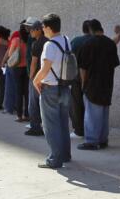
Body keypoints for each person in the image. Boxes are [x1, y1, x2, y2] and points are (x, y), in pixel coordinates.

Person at [33, 14, 73, 169]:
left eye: (43, 27)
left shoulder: (50, 45)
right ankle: (65, 155)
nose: (42, 30)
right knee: (63, 122)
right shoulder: (66, 40)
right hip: (64, 86)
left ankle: (55, 159)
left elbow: (45, 68)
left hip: (50, 88)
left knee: (50, 125)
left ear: (49, 28)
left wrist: (35, 80)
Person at [75, 20, 120, 150]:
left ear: (90, 30)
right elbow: (114, 62)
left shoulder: (87, 44)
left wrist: (84, 83)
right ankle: (102, 140)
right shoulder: (110, 44)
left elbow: (82, 68)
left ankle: (91, 141)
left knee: (92, 113)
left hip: (92, 83)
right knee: (104, 112)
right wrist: (118, 34)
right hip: (107, 83)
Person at [69, 21, 95, 137]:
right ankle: (91, 130)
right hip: (92, 76)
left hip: (76, 76)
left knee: (76, 103)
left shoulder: (75, 41)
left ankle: (79, 130)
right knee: (92, 104)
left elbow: (69, 57)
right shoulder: (95, 41)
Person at [24, 19, 46, 136]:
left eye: (32, 30)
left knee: (33, 104)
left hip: (37, 77)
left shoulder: (37, 43)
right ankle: (43, 126)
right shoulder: (47, 41)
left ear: (39, 30)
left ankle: (35, 128)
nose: (30, 32)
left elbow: (33, 62)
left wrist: (31, 78)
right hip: (46, 77)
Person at [5, 23, 30, 121]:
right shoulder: (30, 40)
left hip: (17, 68)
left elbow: (10, 54)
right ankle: (27, 114)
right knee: (27, 92)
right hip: (27, 68)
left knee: (18, 92)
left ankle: (19, 115)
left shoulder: (16, 40)